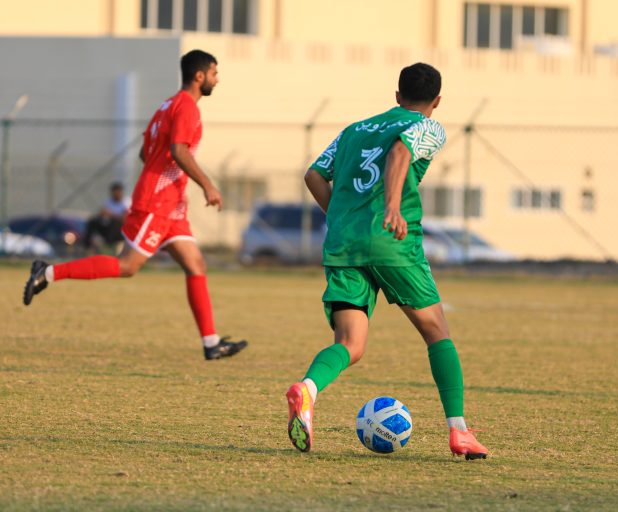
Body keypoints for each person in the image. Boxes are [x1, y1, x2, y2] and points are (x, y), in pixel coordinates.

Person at [285, 63, 488, 459]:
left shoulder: (354, 129)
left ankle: (307, 389)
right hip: (392, 241)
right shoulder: (428, 126)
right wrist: (392, 207)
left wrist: (343, 221)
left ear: (397, 95)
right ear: (437, 101)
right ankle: (460, 432)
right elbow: (400, 151)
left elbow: (314, 175)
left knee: (350, 343)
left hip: (344, 244)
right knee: (437, 332)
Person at [23, 49, 248, 361]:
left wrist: (166, 176)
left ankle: (211, 343)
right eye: (214, 73)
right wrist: (207, 184)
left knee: (195, 264)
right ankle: (47, 272)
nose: (217, 79)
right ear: (200, 76)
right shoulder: (187, 107)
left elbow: (146, 153)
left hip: (171, 204)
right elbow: (179, 150)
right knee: (127, 266)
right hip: (157, 202)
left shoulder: (167, 105)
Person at [82, 181, 130, 251]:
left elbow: (124, 218)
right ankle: (87, 245)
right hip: (108, 225)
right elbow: (102, 213)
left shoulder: (126, 202)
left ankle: (108, 245)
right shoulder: (108, 202)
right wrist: (103, 214)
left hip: (120, 228)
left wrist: (110, 214)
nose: (116, 194)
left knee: (114, 223)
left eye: (118, 192)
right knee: (92, 221)